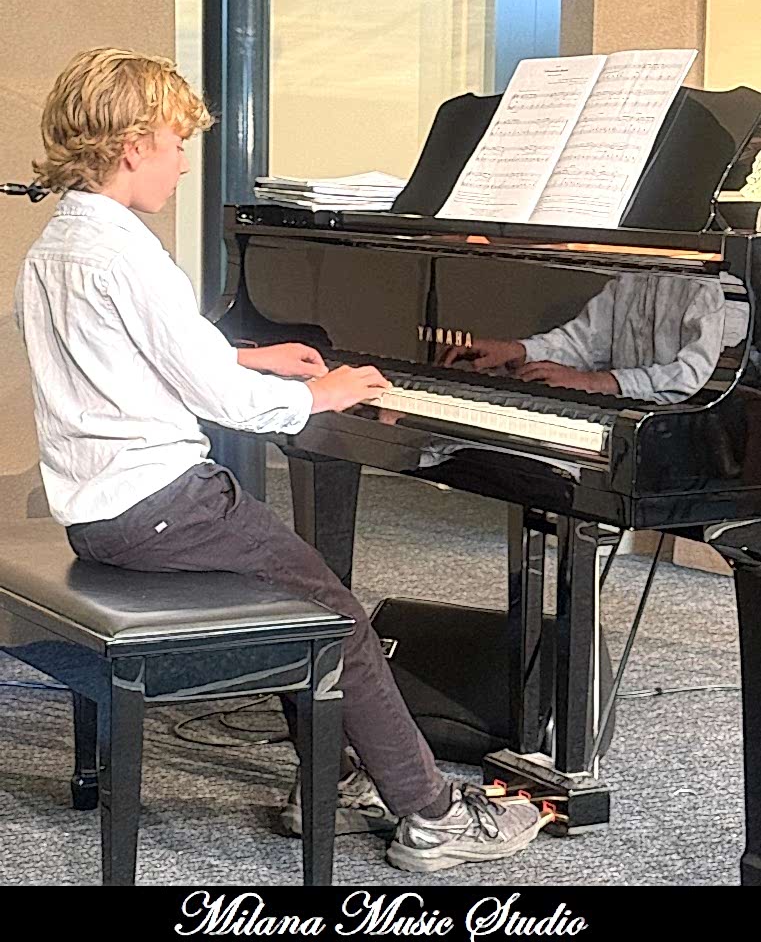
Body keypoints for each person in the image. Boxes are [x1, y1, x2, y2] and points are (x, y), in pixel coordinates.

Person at [14, 47, 543, 874]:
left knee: (304, 591)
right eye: (176, 144)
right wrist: (322, 393)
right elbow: (227, 403)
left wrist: (248, 355)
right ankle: (433, 817)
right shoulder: (128, 254)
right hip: (166, 507)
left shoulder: (61, 243)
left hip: (99, 511)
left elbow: (125, 353)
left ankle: (331, 778)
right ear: (133, 145)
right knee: (337, 619)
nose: (183, 163)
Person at [443, 271, 727, 403]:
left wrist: (595, 382)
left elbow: (694, 376)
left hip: (677, 437)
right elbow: (586, 343)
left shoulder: (718, 287)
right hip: (617, 418)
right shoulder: (635, 275)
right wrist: (519, 350)